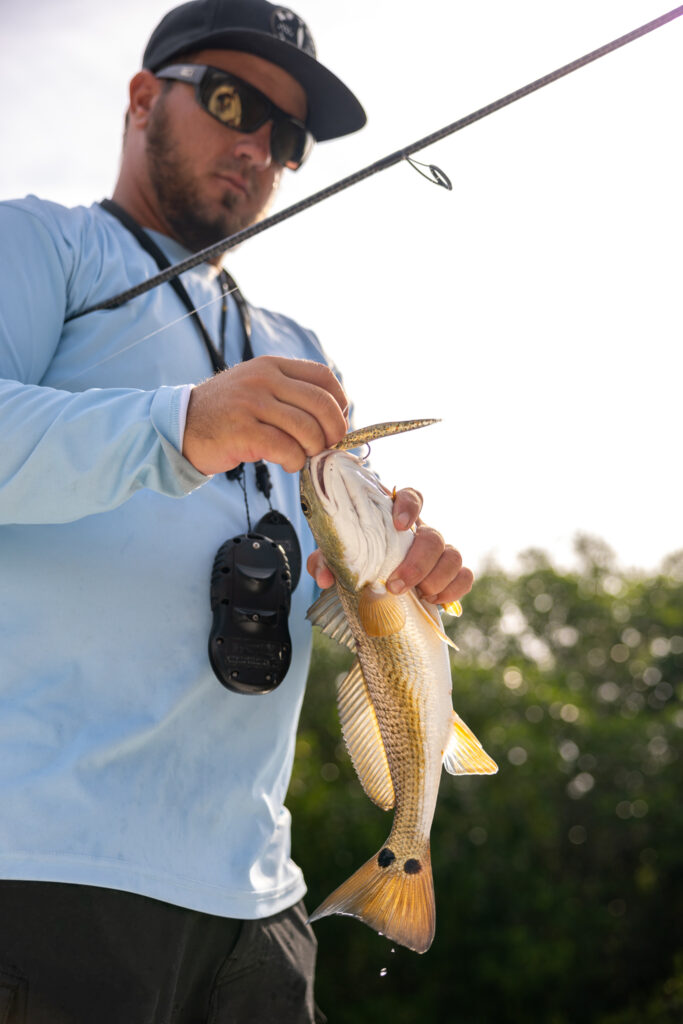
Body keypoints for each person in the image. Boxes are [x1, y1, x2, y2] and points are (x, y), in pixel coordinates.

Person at [0, 1, 473, 1021]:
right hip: (41, 869)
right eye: (230, 99)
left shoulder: (294, 341)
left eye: (287, 134)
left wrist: (398, 561)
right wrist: (180, 426)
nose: (258, 143)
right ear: (140, 98)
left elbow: (331, 575)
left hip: (260, 901)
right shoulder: (41, 245)